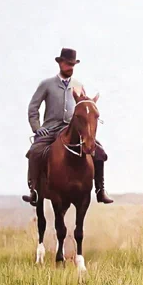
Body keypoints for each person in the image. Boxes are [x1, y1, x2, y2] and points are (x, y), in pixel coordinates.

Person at [22, 47, 113, 205]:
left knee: (99, 152)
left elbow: (84, 107)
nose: (70, 67)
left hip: (74, 129)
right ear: (60, 63)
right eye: (67, 64)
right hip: (50, 129)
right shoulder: (47, 84)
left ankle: (100, 189)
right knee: (35, 151)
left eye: (73, 64)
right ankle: (34, 190)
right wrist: (37, 129)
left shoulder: (79, 85)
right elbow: (33, 108)